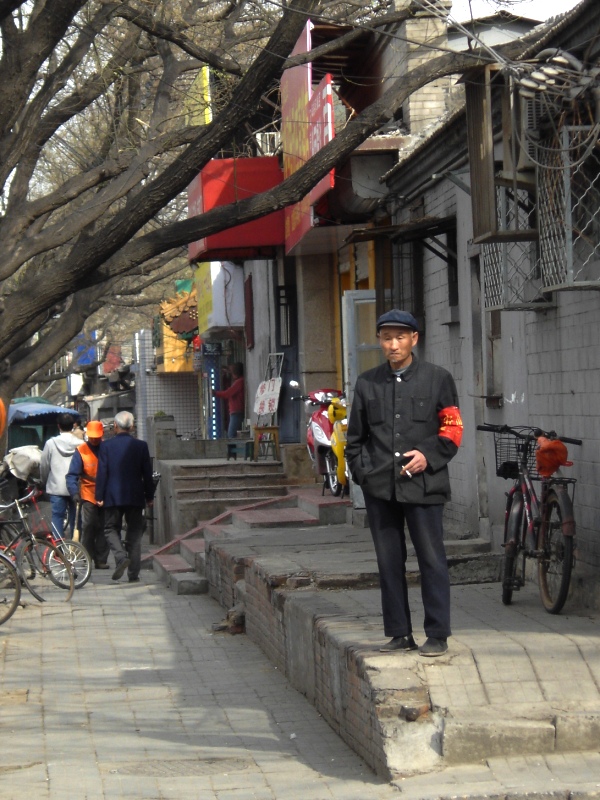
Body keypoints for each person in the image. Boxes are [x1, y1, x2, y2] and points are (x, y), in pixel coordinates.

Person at [346, 309, 463, 658]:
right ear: (379, 341)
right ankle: (399, 633)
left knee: (431, 558)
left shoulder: (438, 378)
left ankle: (438, 633)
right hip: (380, 487)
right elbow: (355, 439)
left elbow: (452, 429)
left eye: (400, 337)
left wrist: (429, 454)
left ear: (415, 339)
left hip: (424, 485)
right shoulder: (368, 383)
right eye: (386, 337)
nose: (393, 344)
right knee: (388, 561)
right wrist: (364, 474)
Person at [95, 411, 155, 582]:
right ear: (132, 427)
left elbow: (102, 473)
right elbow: (147, 474)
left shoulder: (106, 446)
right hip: (135, 495)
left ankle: (121, 557)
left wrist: (99, 495)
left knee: (110, 529)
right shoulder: (141, 446)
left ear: (115, 426)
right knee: (135, 533)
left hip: (112, 496)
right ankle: (133, 574)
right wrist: (149, 496)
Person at [66, 420, 110, 569]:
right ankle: (87, 557)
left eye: (97, 437)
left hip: (106, 493)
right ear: (87, 435)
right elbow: (71, 475)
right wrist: (74, 493)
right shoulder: (81, 451)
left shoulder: (108, 448)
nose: (94, 439)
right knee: (90, 525)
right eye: (92, 437)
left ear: (102, 434)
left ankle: (101, 559)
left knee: (105, 526)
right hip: (88, 492)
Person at [40, 412, 82, 538]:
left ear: (58, 426)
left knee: (57, 517)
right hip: (76, 487)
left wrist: (44, 481)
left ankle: (59, 549)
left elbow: (44, 465)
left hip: (56, 487)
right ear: (73, 426)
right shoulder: (81, 443)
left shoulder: (51, 444)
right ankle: (76, 547)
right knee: (76, 519)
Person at [214, 362, 245, 438]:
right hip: (235, 411)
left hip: (237, 412)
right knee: (233, 433)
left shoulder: (239, 382)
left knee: (231, 434)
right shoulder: (238, 381)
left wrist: (215, 393)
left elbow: (227, 393)